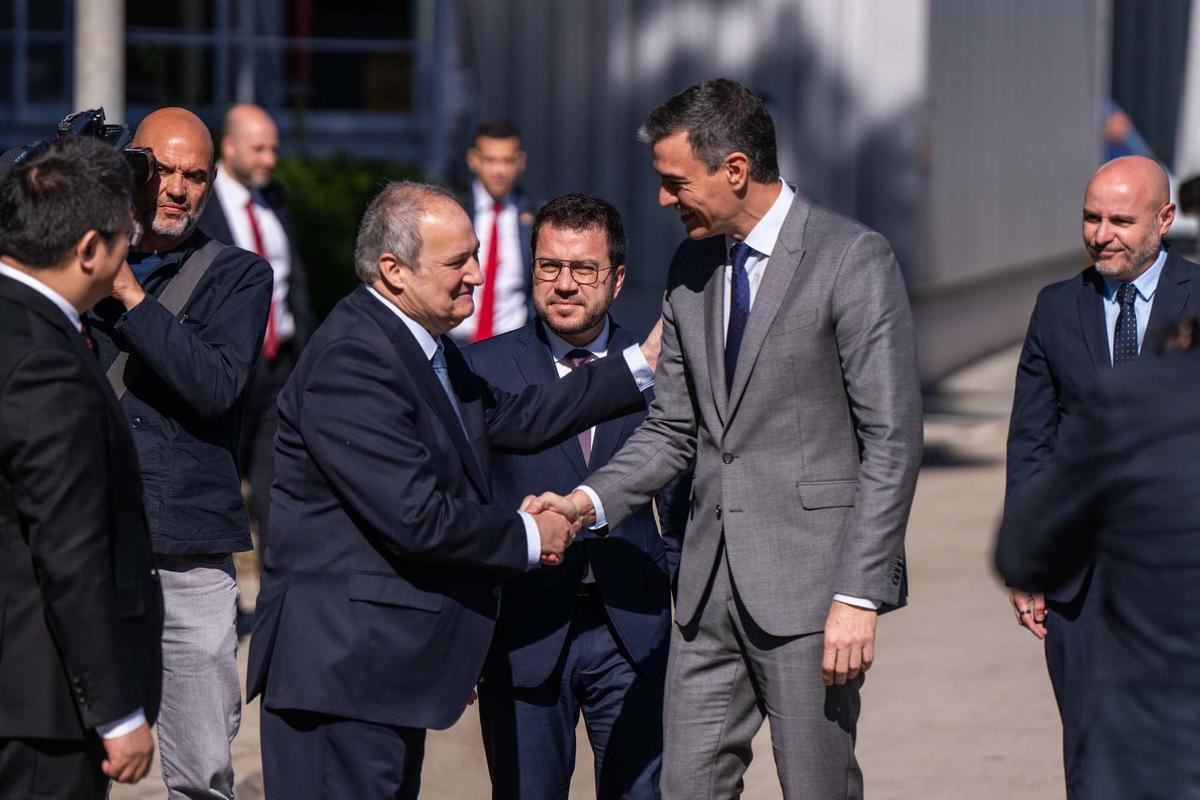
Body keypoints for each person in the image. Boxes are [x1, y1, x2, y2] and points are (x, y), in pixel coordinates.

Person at [527, 79, 922, 799]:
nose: (662, 200)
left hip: (811, 594)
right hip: (706, 594)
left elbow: (891, 440)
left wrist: (860, 594)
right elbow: (674, 429)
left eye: (675, 181)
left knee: (816, 787)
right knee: (687, 786)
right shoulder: (690, 269)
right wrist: (585, 502)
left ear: (734, 169)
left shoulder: (852, 258)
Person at [247, 181, 661, 799]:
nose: (477, 274)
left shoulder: (425, 349)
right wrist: (533, 532)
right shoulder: (355, 357)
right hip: (342, 673)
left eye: (476, 256)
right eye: (458, 261)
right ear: (393, 270)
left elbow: (519, 417)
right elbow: (414, 515)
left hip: (382, 673)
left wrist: (641, 362)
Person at [466, 194, 691, 799]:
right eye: (549, 267)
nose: (565, 284)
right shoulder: (481, 370)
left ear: (616, 279)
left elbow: (680, 507)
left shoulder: (660, 368)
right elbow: (466, 505)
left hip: (632, 630)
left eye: (584, 269)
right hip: (522, 635)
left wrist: (665, 588)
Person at [86, 107, 273, 798]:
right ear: (128, 166)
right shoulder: (73, 260)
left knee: (202, 771)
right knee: (66, 761)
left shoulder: (238, 275)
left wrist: (129, 294)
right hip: (86, 549)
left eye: (194, 176)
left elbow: (215, 383)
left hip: (187, 549)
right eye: (160, 169)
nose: (176, 188)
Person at [1004, 154, 1200, 799]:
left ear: (1165, 219)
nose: (1100, 234)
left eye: (1121, 220)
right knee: (1092, 765)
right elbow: (1033, 440)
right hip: (1080, 589)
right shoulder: (1057, 308)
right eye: (1091, 218)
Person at [0, 136, 162, 797]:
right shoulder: (47, 363)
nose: (134, 251)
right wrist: (117, 712)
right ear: (90, 249)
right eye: (128, 235)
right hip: (40, 710)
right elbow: (69, 553)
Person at [199, 103, 314, 554]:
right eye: (259, 148)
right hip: (227, 367)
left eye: (274, 149)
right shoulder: (204, 205)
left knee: (276, 485)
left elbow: (294, 281)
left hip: (278, 366)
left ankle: (276, 596)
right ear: (229, 147)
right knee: (221, 480)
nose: (270, 159)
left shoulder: (274, 199)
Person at [448, 118, 537, 344]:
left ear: (521, 162)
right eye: (490, 160)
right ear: (473, 160)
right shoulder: (451, 210)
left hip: (511, 342)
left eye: (507, 161)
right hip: (454, 340)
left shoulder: (535, 215)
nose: (499, 170)